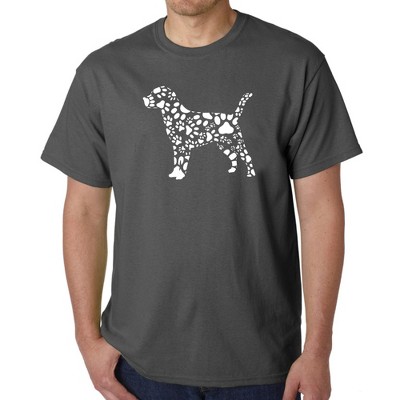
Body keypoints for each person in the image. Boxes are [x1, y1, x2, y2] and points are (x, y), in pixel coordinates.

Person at [40, 1, 363, 399]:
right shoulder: (103, 73)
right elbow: (84, 211)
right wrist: (87, 339)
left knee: (233, 147)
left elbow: (320, 211)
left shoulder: (297, 64)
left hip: (266, 365)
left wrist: (318, 351)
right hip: (137, 363)